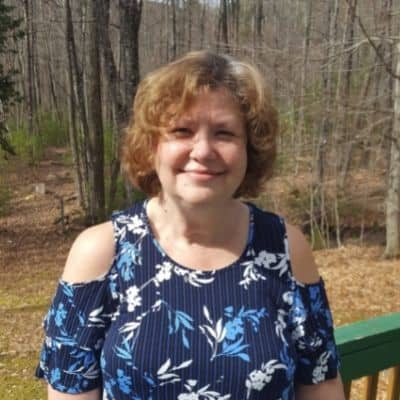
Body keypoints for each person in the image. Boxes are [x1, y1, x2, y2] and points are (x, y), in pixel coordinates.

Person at [36, 50, 345, 400]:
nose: (203, 150)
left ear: (250, 149)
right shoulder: (100, 253)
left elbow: (321, 384)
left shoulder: (285, 248)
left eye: (224, 133)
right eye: (182, 131)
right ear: (152, 146)